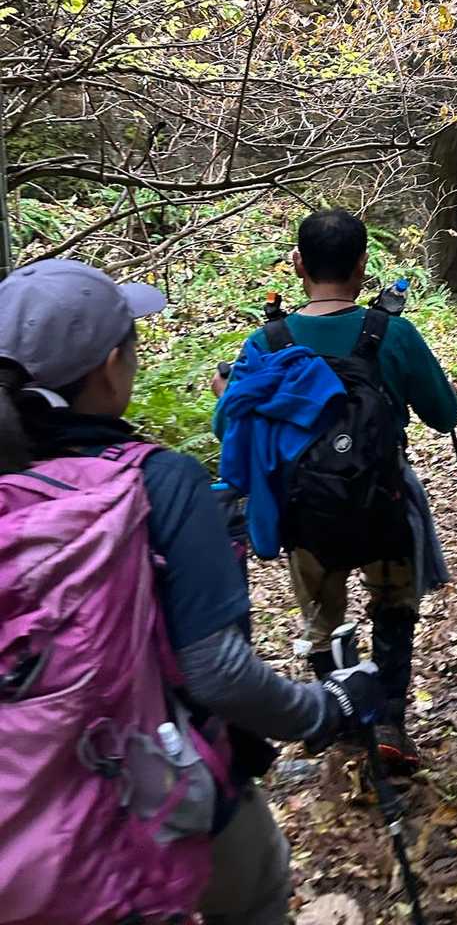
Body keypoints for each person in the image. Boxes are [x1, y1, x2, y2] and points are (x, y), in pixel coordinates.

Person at [0, 258, 383, 925]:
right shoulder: (157, 484)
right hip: (147, 788)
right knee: (257, 882)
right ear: (110, 369)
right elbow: (217, 672)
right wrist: (326, 710)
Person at [213, 208, 457, 773]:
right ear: (363, 265)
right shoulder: (392, 333)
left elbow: (229, 429)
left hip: (304, 514)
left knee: (322, 620)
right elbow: (444, 415)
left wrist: (227, 393)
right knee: (393, 606)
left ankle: (346, 717)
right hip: (382, 504)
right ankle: (390, 718)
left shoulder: (267, 341)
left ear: (297, 264)